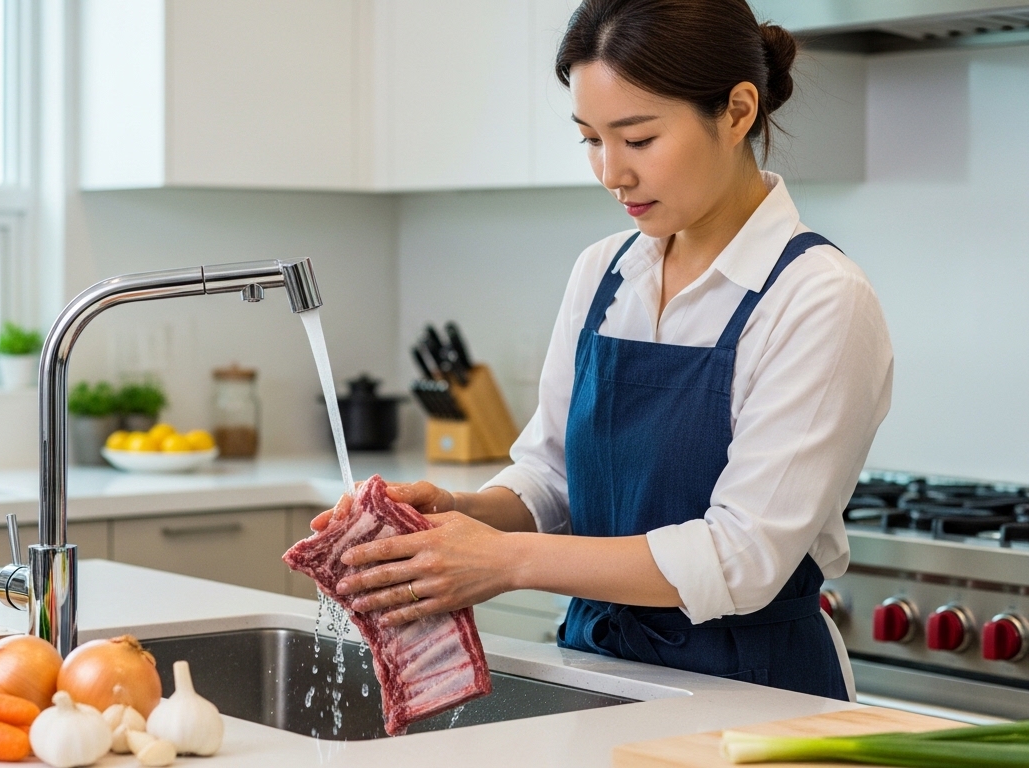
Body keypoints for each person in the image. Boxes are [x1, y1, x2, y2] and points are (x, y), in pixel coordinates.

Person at [319, 0, 893, 700]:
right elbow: (553, 476)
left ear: (738, 111)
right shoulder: (604, 272)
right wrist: (464, 513)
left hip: (757, 693)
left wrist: (506, 560)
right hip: (599, 673)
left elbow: (741, 558)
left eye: (638, 139)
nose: (610, 172)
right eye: (590, 138)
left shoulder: (818, 298)